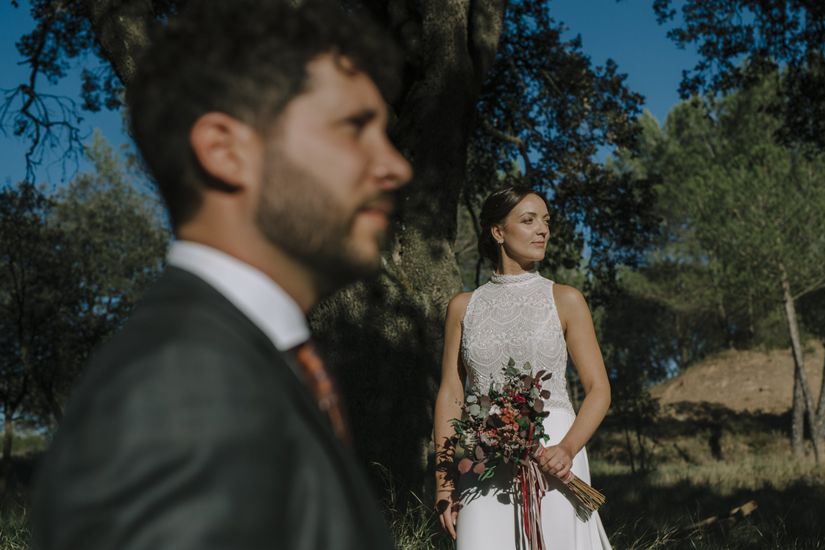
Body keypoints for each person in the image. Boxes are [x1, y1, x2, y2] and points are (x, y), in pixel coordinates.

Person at [31, 1, 412, 549]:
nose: (398, 166)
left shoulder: (252, 366)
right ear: (225, 151)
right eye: (355, 127)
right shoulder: (180, 394)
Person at [434, 186, 612, 549]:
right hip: (481, 459)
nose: (543, 230)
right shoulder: (462, 307)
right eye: (528, 220)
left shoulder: (565, 299)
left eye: (545, 221)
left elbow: (599, 389)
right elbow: (452, 393)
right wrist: (445, 481)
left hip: (555, 454)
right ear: (498, 232)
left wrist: (568, 449)